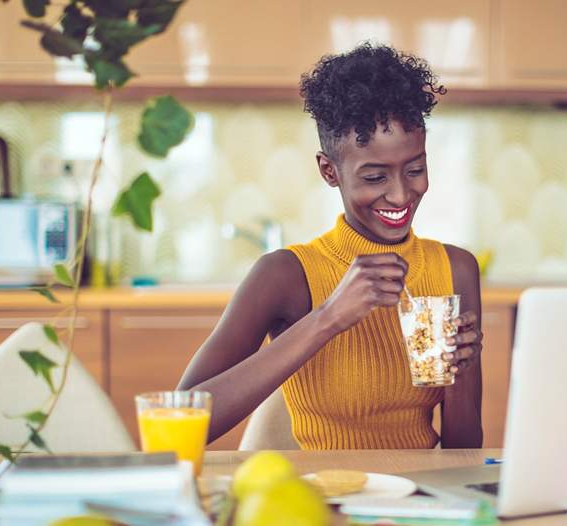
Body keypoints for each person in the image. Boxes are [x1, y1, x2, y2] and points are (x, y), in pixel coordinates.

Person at [178, 43, 483, 449]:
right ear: (329, 171)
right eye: (375, 177)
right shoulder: (286, 275)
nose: (400, 195)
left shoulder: (455, 269)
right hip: (324, 499)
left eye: (415, 169)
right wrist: (329, 316)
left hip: (418, 501)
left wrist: (458, 374)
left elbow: (463, 454)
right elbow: (181, 421)